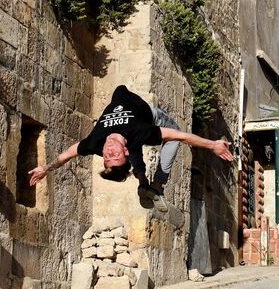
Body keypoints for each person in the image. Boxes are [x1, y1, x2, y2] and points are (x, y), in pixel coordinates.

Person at [28, 85, 233, 211]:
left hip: (132, 138)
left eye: (107, 157)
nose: (109, 152)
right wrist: (212, 144)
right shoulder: (141, 132)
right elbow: (181, 136)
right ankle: (157, 185)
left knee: (134, 149)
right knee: (170, 136)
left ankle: (144, 182)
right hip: (150, 117)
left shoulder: (94, 142)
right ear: (123, 152)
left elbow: (66, 156)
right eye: (114, 155)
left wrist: (46, 168)